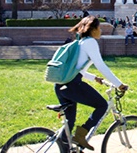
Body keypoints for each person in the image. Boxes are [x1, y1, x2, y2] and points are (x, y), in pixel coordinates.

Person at [55, 16, 128, 151]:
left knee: (68, 126)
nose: (100, 31)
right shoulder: (90, 42)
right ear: (92, 29)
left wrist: (94, 78)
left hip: (61, 86)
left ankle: (65, 144)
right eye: (99, 28)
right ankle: (82, 135)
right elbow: (101, 65)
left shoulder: (80, 42)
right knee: (102, 105)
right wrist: (119, 84)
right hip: (73, 85)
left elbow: (77, 69)